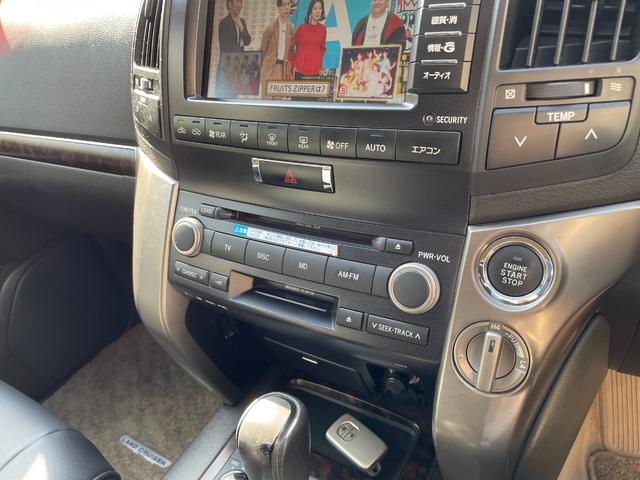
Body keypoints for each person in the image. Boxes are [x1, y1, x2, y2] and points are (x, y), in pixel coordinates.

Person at [259, 0, 295, 99]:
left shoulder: (291, 28)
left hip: (282, 70)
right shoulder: (270, 28)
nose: (286, 8)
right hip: (269, 70)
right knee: (266, 103)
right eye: (283, 5)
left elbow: (291, 51)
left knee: (278, 103)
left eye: (288, 4)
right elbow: (261, 51)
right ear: (278, 8)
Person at [288, 0, 327, 79]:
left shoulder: (323, 29)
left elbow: (322, 49)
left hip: (316, 72)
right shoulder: (301, 28)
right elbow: (291, 47)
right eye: (315, 8)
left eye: (320, 8)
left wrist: (318, 63)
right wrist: (294, 63)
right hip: (300, 71)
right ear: (310, 11)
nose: (318, 11)